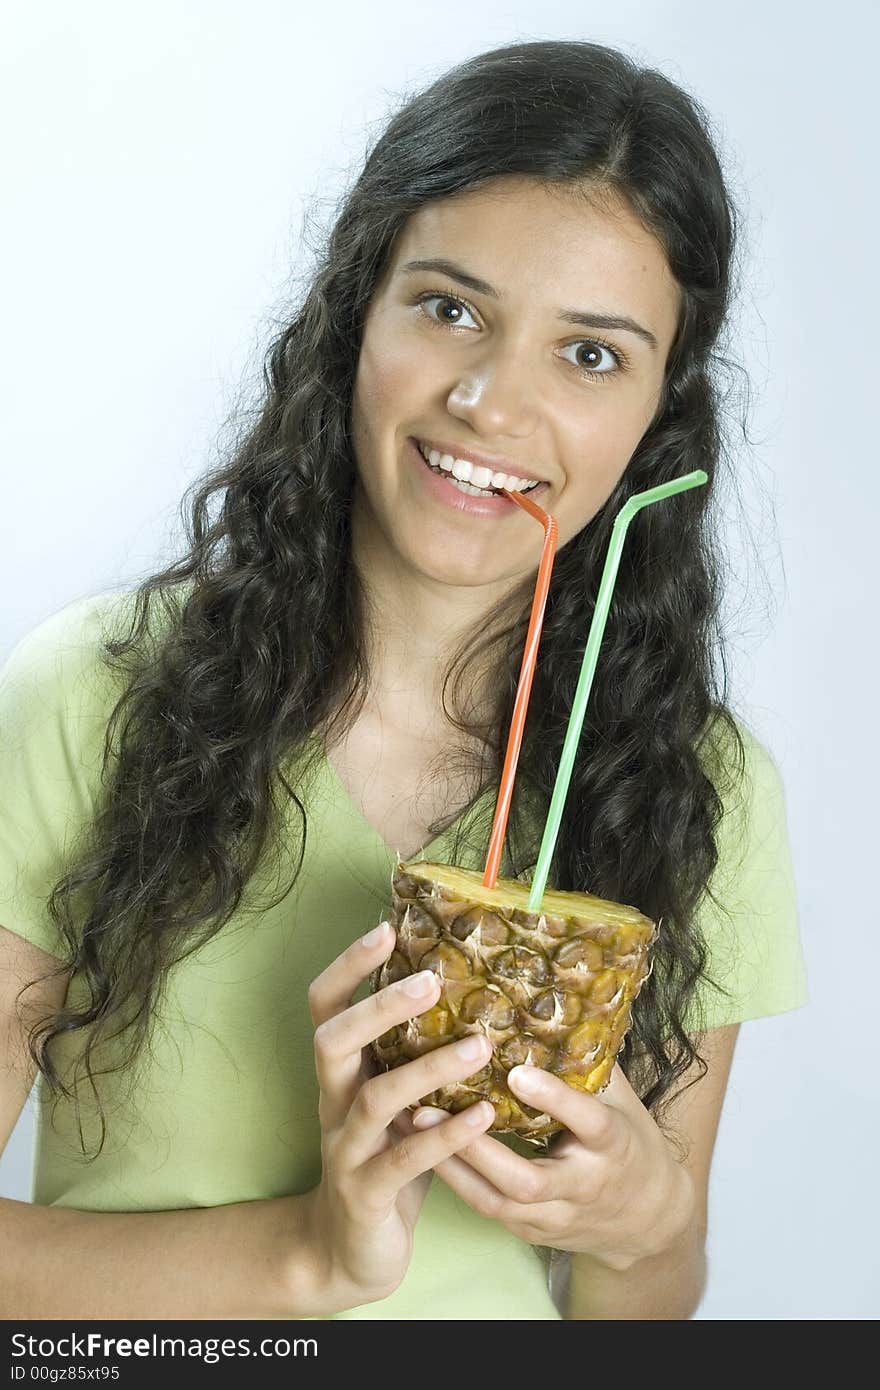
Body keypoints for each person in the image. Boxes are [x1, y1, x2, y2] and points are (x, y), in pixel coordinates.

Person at [0, 38, 807, 1320]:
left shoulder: (699, 787)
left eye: (589, 354)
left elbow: (632, 1316)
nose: (491, 402)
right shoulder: (94, 695)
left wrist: (647, 1229)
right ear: (356, 309)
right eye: (449, 307)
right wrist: (308, 1256)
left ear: (661, 414)